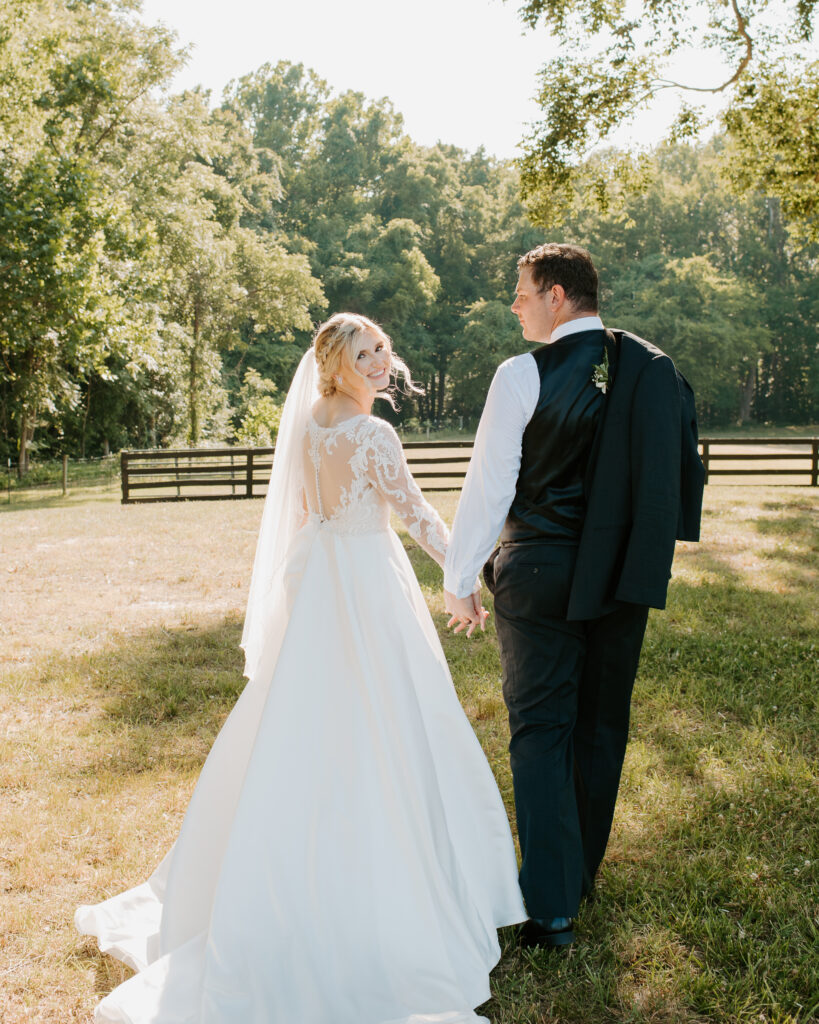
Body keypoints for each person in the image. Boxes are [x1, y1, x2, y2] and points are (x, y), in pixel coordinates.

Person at [76, 312, 526, 1023]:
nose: (381, 360)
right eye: (365, 352)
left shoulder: (310, 422)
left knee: (300, 721)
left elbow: (305, 516)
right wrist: (464, 576)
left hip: (320, 583)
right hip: (366, 587)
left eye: (383, 347)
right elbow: (415, 517)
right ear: (335, 364)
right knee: (387, 721)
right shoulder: (371, 433)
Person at [443, 243, 704, 950]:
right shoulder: (651, 368)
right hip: (622, 573)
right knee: (599, 724)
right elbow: (682, 464)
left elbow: (491, 482)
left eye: (521, 292)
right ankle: (576, 876)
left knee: (540, 730)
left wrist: (458, 576)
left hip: (539, 572)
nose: (514, 304)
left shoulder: (522, 373)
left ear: (557, 295)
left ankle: (553, 905)